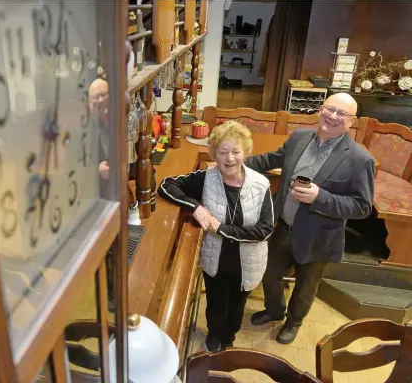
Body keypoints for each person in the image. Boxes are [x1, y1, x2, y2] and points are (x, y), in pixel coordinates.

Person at [244, 93, 375, 344]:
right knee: (269, 274)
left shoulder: (360, 159)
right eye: (330, 109)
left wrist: (320, 197)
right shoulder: (299, 138)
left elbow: (362, 207)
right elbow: (271, 159)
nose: (333, 117)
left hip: (320, 236)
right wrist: (235, 163)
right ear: (320, 109)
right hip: (283, 225)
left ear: (352, 121)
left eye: (342, 114)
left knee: (306, 286)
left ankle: (294, 322)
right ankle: (274, 311)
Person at [158, 121, 274, 352]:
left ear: (245, 153)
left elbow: (265, 229)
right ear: (214, 154)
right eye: (222, 152)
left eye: (235, 152)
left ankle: (229, 338)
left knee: (237, 306)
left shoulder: (261, 184)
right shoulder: (206, 178)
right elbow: (166, 185)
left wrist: (222, 228)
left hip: (248, 261)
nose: (229, 158)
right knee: (216, 303)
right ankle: (213, 335)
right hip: (216, 259)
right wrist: (196, 207)